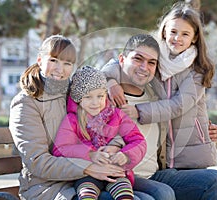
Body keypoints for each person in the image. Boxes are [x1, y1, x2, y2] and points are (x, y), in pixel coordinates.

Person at [9, 35, 152, 200]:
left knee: (161, 193)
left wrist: (114, 147)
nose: (60, 69)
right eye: (54, 60)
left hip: (90, 173)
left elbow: (111, 124)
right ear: (40, 60)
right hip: (47, 184)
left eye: (67, 63)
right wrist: (88, 166)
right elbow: (37, 162)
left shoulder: (79, 91)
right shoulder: (26, 103)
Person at [101, 33, 217, 199]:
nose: (144, 67)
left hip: (156, 175)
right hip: (117, 177)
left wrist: (207, 129)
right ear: (121, 59)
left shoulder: (157, 95)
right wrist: (110, 82)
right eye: (138, 59)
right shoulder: (101, 97)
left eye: (151, 63)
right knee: (162, 194)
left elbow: (181, 109)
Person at [105, 2, 217, 169]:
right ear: (164, 31)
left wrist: (139, 111)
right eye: (173, 32)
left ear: (194, 37)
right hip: (161, 155)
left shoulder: (197, 70)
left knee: (214, 181)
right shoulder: (154, 58)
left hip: (191, 153)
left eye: (185, 34)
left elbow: (178, 105)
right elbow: (121, 62)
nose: (177, 38)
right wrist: (110, 81)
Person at [52, 66, 148, 200]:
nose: (95, 102)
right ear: (79, 99)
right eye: (88, 97)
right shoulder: (72, 120)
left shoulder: (117, 115)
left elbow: (138, 141)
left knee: (124, 194)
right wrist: (90, 154)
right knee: (87, 194)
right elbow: (61, 148)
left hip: (115, 170)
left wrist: (126, 156)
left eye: (100, 96)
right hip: (87, 174)